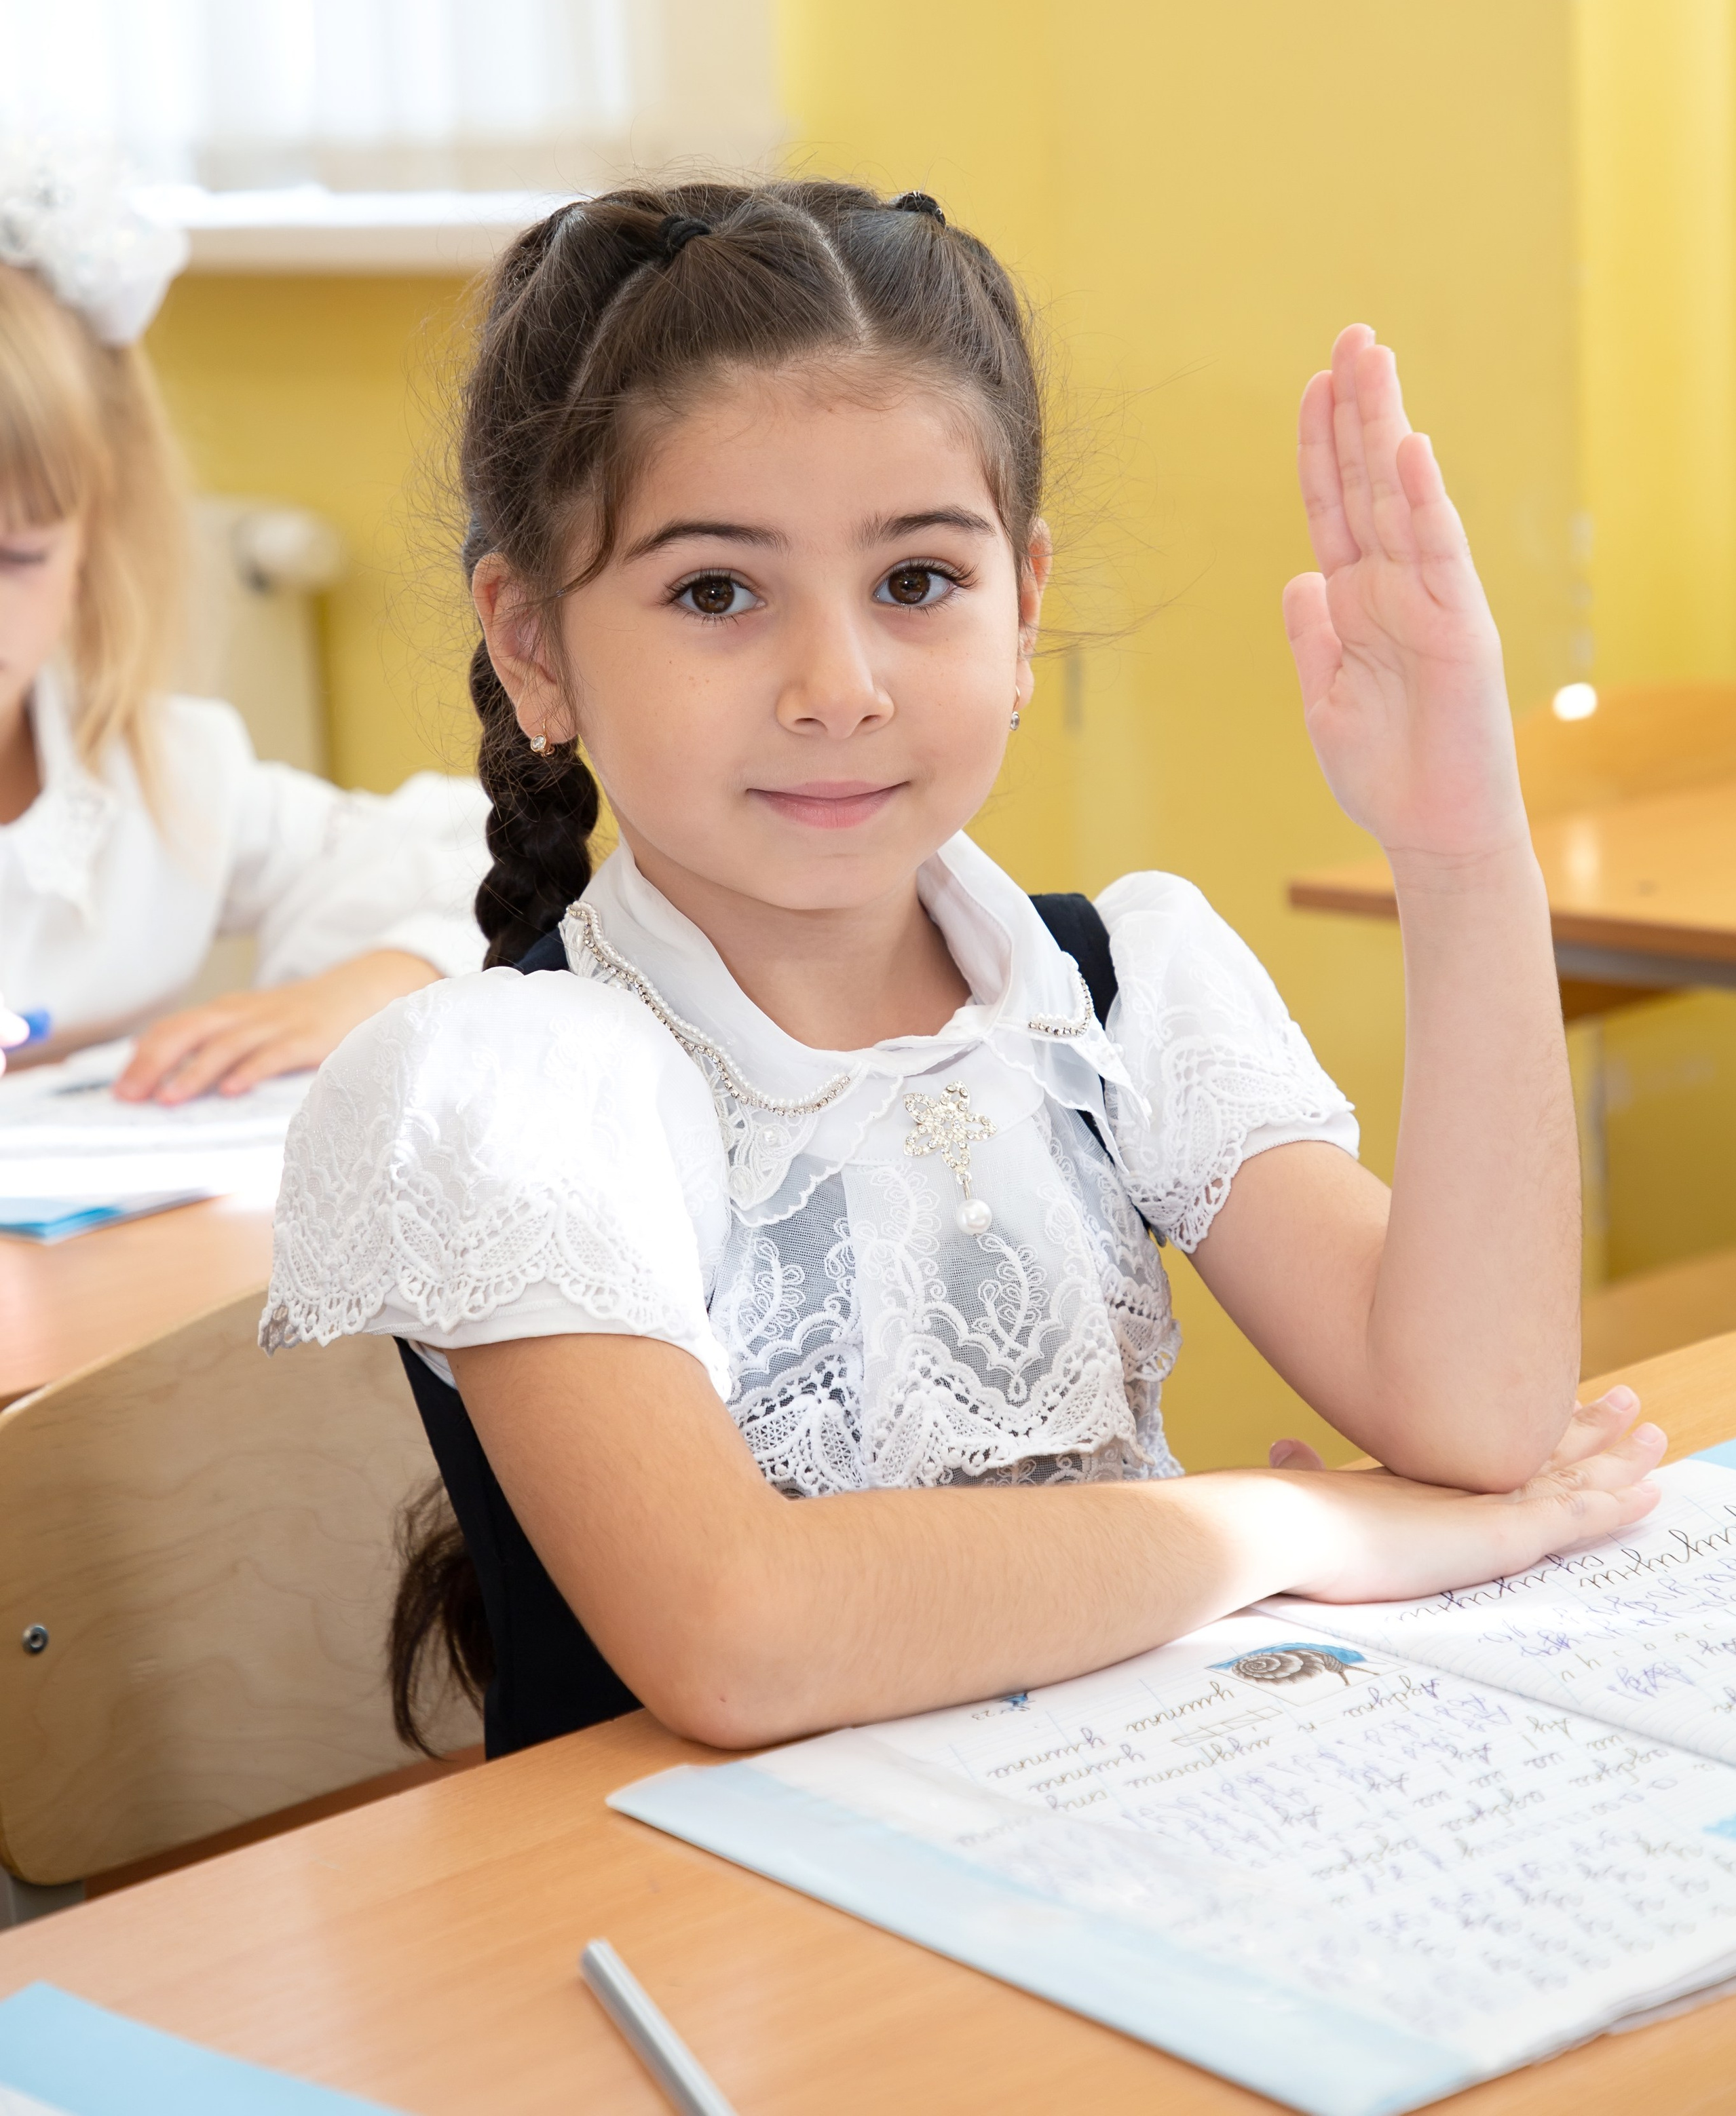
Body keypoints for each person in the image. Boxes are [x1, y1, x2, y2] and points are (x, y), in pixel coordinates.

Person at [265, 180, 1662, 1758]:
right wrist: (1289, 1534)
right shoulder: (508, 1088)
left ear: (1022, 609)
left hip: (1095, 1837)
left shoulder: (1110, 986)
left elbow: (1475, 1422)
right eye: (715, 591)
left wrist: (1460, 849)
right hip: (701, 1935)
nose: (837, 686)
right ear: (533, 647)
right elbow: (745, 1637)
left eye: (915, 581)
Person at [0, 139, 489, 1099]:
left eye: (16, 560)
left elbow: (486, 858)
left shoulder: (163, 775)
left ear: (91, 548)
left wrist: (370, 981)